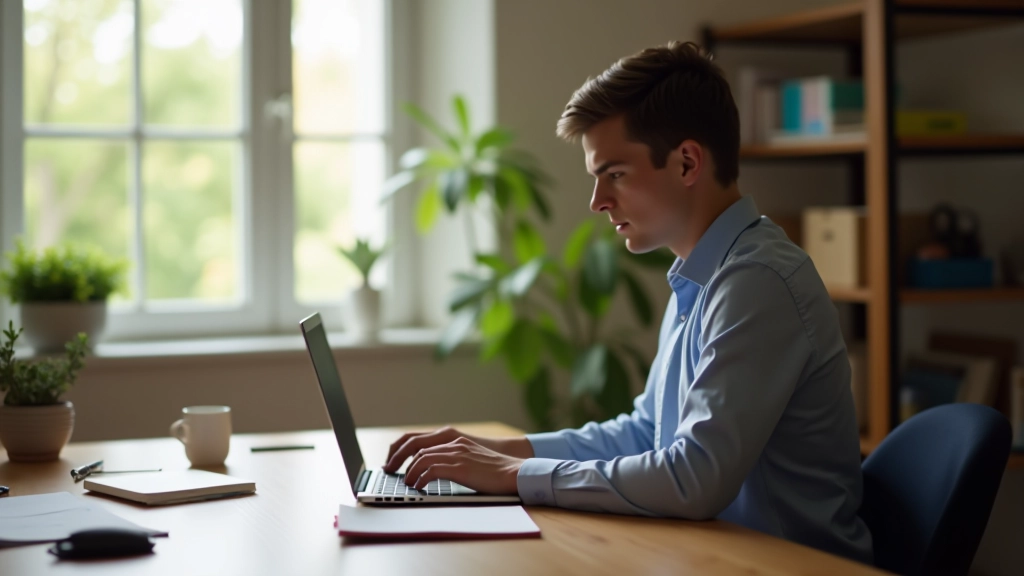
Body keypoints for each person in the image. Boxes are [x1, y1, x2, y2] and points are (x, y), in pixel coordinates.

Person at [383, 41, 872, 564]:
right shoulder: (704, 274)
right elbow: (646, 433)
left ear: (687, 162)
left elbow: (694, 477)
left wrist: (514, 477)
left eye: (614, 174)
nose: (597, 201)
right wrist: (497, 453)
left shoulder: (757, 280)